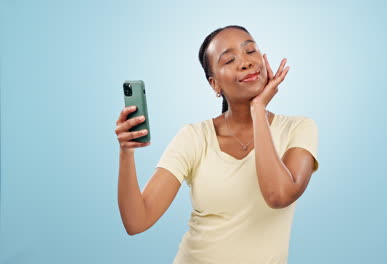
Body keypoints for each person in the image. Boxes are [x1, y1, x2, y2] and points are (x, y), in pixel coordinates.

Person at [116, 25, 319, 264]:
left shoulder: (299, 128)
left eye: (251, 51)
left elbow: (278, 195)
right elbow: (137, 222)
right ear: (215, 85)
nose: (245, 62)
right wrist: (126, 153)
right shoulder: (194, 137)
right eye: (229, 60)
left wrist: (258, 110)